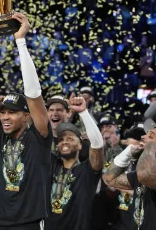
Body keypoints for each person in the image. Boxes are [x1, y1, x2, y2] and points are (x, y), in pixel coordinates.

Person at [0, 12, 52, 229]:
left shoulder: (39, 137)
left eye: (12, 112)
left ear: (26, 116)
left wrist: (20, 42)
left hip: (28, 223)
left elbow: (34, 93)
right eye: (3, 112)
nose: (5, 117)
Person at [103, 121, 156, 230]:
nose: (143, 136)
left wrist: (150, 147)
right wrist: (127, 154)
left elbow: (145, 175)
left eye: (151, 136)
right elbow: (109, 179)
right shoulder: (142, 174)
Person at [45, 95, 104, 230]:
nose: (64, 142)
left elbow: (98, 145)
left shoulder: (88, 170)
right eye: (61, 140)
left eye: (70, 139)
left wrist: (83, 112)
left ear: (80, 145)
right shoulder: (52, 165)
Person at [46, 95, 89, 161]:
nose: (54, 113)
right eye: (51, 110)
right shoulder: (41, 140)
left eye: (59, 110)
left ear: (68, 113)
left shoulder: (81, 141)